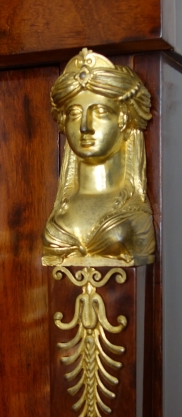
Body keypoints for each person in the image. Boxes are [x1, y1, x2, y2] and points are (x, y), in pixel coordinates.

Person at [42, 48, 155, 266]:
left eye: (100, 112)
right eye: (75, 114)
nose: (85, 126)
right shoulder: (64, 206)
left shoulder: (133, 211)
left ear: (123, 119)